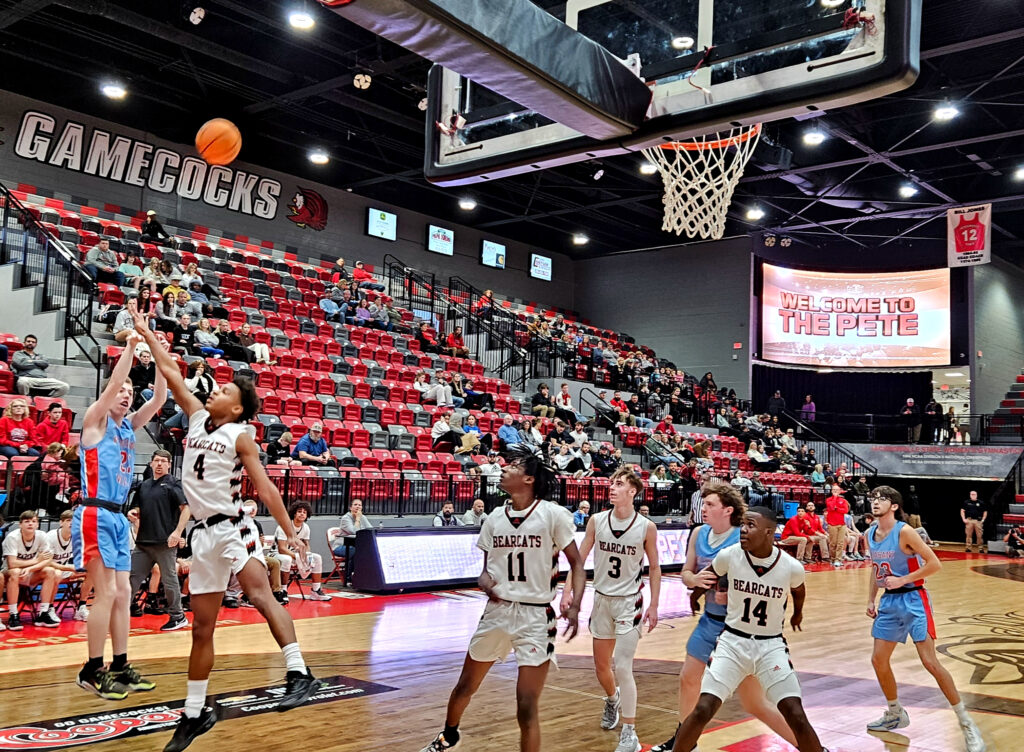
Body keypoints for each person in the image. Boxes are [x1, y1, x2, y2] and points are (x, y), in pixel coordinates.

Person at [135, 316, 318, 751]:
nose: (215, 391)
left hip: (236, 527)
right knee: (202, 628)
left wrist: (290, 534)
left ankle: (298, 671)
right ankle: (194, 713)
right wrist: (146, 334)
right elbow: (173, 373)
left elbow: (268, 488)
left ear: (236, 408)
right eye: (217, 388)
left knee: (259, 594)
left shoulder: (242, 435)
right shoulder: (197, 418)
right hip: (202, 535)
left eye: (225, 392)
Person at [419, 446, 586, 752]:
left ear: (529, 479)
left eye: (513, 466)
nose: (504, 469)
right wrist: (484, 581)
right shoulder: (495, 517)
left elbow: (576, 563)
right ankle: (449, 735)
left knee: (526, 706)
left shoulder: (552, 515)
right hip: (496, 611)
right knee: (465, 686)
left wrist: (573, 604)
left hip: (535, 616)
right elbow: (485, 571)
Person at [651, 483, 799, 752]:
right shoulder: (698, 533)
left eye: (710, 504)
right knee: (688, 679)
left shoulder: (743, 538)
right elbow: (686, 572)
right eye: (703, 503)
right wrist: (693, 579)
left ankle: (811, 747)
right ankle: (685, 741)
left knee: (755, 704)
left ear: (727, 510)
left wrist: (730, 595)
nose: (703, 508)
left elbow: (765, 585)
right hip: (710, 620)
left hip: (741, 629)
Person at [671, 506, 829, 752]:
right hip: (733, 642)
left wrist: (798, 613)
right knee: (703, 708)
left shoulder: (790, 566)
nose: (743, 530)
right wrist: (696, 594)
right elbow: (710, 574)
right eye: (743, 524)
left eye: (750, 525)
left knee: (795, 713)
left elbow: (798, 590)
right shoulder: (730, 555)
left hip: (770, 645)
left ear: (769, 532)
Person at [72, 328, 166, 699]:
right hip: (94, 512)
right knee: (107, 592)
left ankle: (121, 665)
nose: (125, 396)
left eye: (130, 392)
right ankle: (91, 669)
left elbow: (158, 397)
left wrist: (159, 352)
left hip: (117, 516)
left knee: (124, 591)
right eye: (121, 392)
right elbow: (113, 384)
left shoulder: (129, 426)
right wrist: (130, 345)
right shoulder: (95, 420)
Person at [864, 486, 986, 751]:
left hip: (915, 599)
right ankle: (895, 712)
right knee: (878, 659)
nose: (875, 502)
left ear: (894, 506)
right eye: (873, 498)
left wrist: (903, 580)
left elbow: (934, 564)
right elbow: (875, 569)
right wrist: (871, 599)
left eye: (882, 499)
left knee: (930, 661)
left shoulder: (905, 532)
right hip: (889, 601)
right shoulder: (868, 533)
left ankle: (966, 723)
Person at [562, 468, 660, 752]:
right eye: (611, 484)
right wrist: (567, 590)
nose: (612, 488)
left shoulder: (646, 527)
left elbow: (654, 567)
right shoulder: (596, 520)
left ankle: (630, 733)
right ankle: (612, 698)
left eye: (619, 484)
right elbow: (579, 559)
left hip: (630, 601)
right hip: (602, 600)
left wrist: (654, 604)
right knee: (601, 666)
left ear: (633, 491)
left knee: (623, 665)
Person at [128, 450, 190, 632]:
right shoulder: (144, 485)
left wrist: (177, 532)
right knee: (131, 578)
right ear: (151, 463)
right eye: (157, 461)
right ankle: (119, 612)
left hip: (165, 542)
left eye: (164, 461)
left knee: (170, 580)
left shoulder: (174, 484)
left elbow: (186, 509)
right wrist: (133, 512)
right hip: (144, 542)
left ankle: (178, 616)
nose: (160, 464)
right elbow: (137, 507)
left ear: (169, 464)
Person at [3, 510, 61, 629]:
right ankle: (13, 615)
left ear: (37, 525)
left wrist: (30, 568)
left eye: (33, 521)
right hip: (9, 574)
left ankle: (43, 613)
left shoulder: (42, 536)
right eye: (27, 521)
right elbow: (12, 564)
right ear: (20, 524)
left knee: (50, 571)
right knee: (16, 571)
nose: (30, 524)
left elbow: (48, 559)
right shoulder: (13, 537)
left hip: (29, 572)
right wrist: (35, 561)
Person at [275, 501, 332, 601]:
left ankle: (316, 590)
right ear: (294, 513)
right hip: (277, 554)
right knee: (287, 559)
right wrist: (298, 557)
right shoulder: (284, 526)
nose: (302, 514)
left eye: (304, 512)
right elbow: (282, 549)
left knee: (317, 558)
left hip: (295, 555)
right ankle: (283, 591)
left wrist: (307, 556)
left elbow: (306, 545)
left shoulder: (305, 527)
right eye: (299, 511)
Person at [825, 486, 850, 568]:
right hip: (832, 524)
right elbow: (831, 507)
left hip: (842, 524)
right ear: (831, 491)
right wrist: (835, 498)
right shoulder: (828, 500)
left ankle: (838, 559)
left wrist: (837, 508)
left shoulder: (843, 501)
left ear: (840, 491)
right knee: (833, 543)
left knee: (840, 543)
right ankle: (832, 559)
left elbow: (845, 510)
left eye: (837, 490)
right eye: (834, 490)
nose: (835, 491)